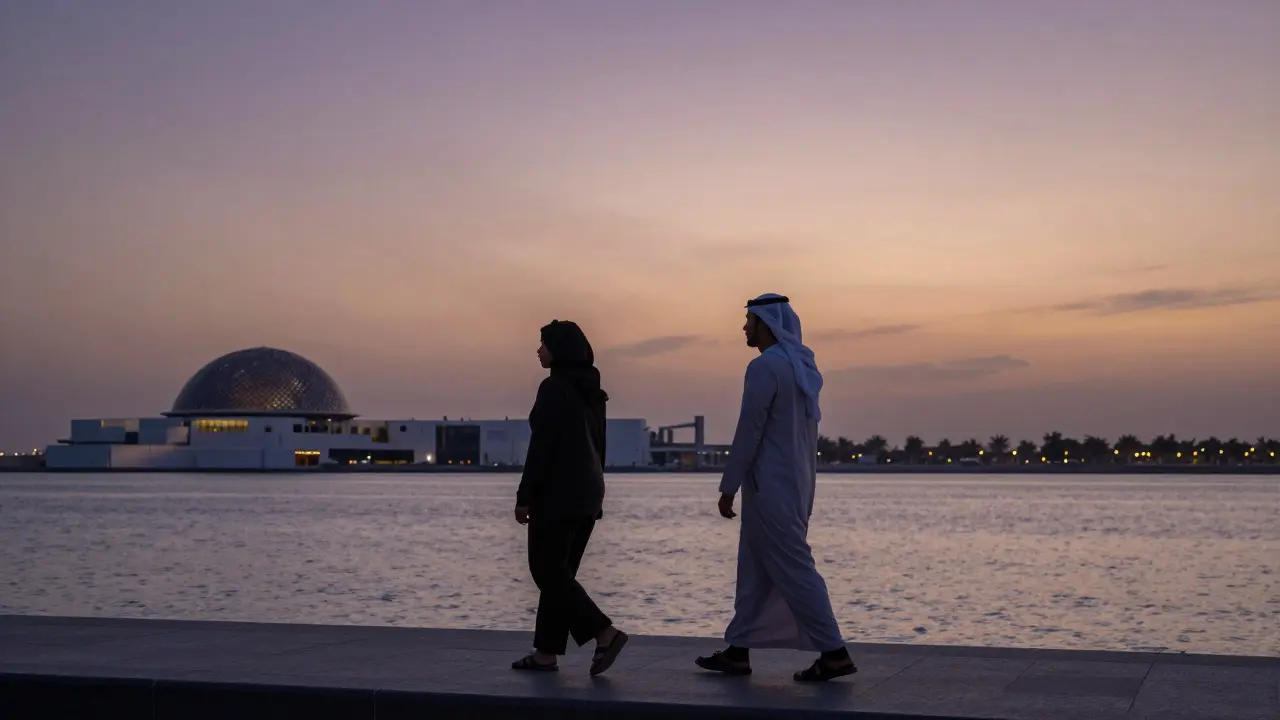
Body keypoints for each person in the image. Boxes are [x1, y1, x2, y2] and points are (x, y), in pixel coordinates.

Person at [695, 293, 856, 682]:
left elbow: (750, 429)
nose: (745, 328)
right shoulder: (801, 367)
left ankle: (834, 652)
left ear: (766, 324)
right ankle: (737, 651)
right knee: (754, 570)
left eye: (749, 320)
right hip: (795, 485)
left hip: (770, 488)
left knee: (796, 570)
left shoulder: (766, 367)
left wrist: (728, 485)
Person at [511, 319, 629, 676]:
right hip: (588, 492)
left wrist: (524, 496)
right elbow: (600, 447)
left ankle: (604, 632)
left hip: (557, 494)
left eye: (543, 344)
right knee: (560, 575)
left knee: (546, 570)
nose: (538, 350)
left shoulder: (554, 388)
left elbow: (542, 446)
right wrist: (598, 496)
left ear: (559, 349)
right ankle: (546, 653)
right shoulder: (592, 390)